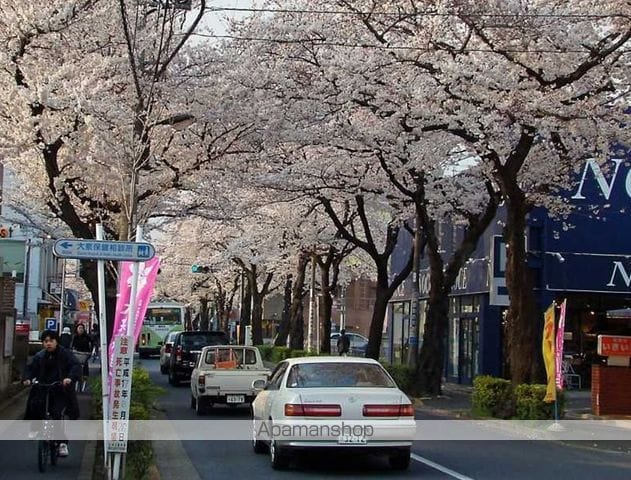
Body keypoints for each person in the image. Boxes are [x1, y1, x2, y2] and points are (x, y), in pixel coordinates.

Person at [23, 330, 82, 457]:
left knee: (56, 414)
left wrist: (69, 378)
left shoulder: (65, 354)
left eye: (51, 341)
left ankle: (62, 444)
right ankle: (35, 429)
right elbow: (30, 368)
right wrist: (27, 379)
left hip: (60, 389)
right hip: (43, 387)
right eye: (45, 341)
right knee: (35, 405)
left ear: (56, 341)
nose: (48, 344)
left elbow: (75, 366)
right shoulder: (40, 355)